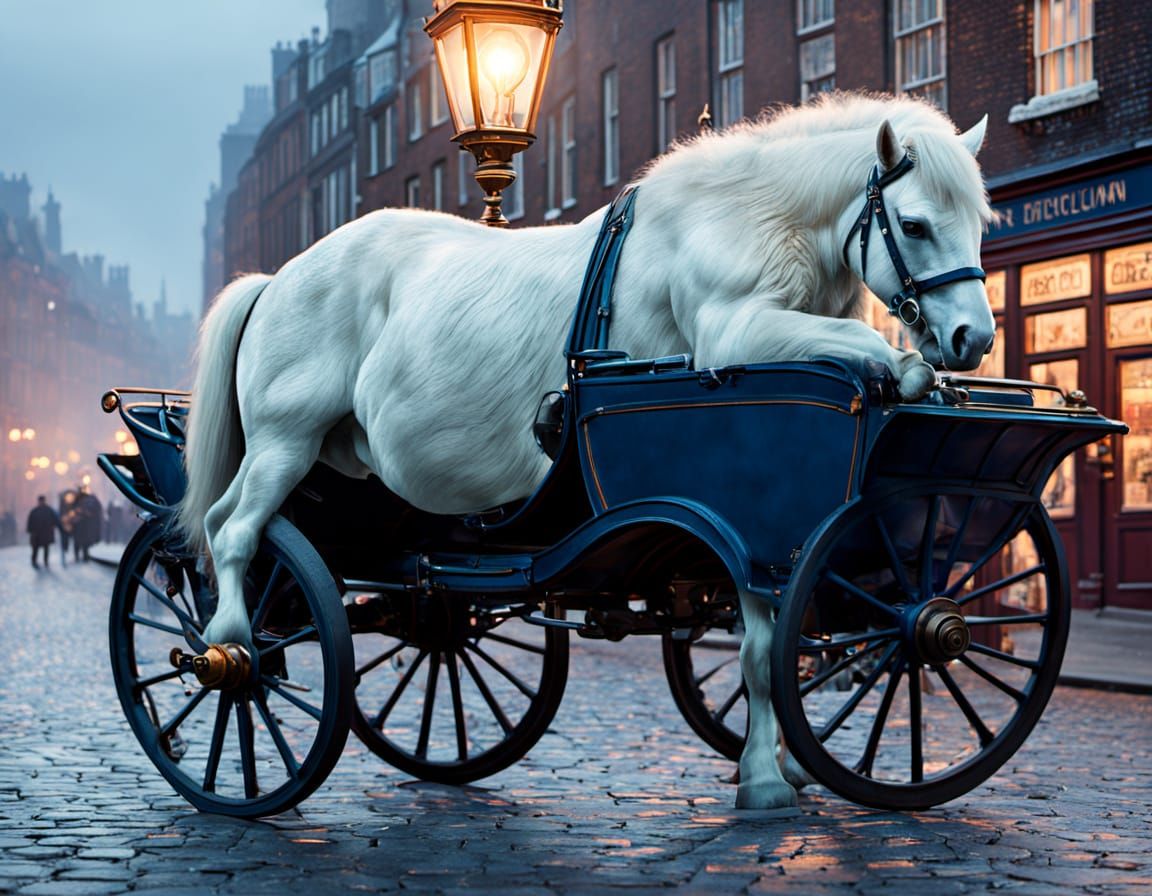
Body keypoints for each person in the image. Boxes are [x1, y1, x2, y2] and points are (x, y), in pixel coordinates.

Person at [26, 495, 61, 569]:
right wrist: (31, 531)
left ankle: (45, 561)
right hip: (38, 534)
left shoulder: (47, 510)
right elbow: (30, 522)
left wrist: (54, 526)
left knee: (45, 548)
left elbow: (55, 521)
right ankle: (35, 561)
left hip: (44, 534)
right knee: (36, 549)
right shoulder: (36, 511)